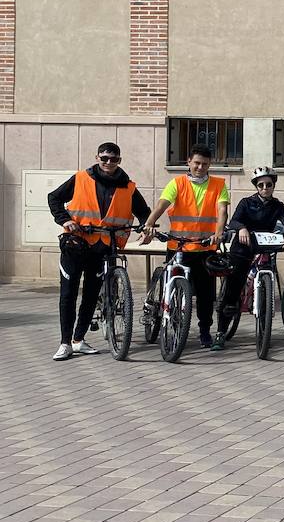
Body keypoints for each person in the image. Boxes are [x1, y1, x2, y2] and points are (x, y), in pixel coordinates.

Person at [47, 142, 152, 360]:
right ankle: (65, 343)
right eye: (104, 158)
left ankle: (78, 340)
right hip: (76, 244)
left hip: (103, 247)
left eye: (113, 159)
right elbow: (54, 197)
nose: (108, 162)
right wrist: (65, 220)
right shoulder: (81, 178)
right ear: (97, 158)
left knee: (91, 294)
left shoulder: (128, 186)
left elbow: (144, 212)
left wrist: (146, 227)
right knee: (68, 294)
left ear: (119, 161)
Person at [142, 144, 229, 349]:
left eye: (205, 164)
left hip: (205, 247)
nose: (200, 167)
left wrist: (219, 233)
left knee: (206, 294)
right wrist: (149, 224)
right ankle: (169, 320)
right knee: (172, 286)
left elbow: (222, 210)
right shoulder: (177, 183)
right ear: (188, 162)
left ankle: (205, 330)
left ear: (210, 165)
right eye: (196, 163)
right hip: (179, 246)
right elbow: (162, 205)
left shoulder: (219, 184)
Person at [211, 166, 284, 350]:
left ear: (273, 185)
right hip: (242, 248)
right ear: (256, 187)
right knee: (234, 286)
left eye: (269, 185)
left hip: (264, 247)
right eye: (261, 185)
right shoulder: (246, 202)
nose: (265, 188)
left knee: (268, 277)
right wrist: (241, 228)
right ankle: (220, 332)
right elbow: (234, 220)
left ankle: (264, 330)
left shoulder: (278, 205)